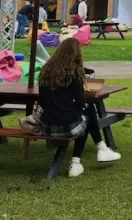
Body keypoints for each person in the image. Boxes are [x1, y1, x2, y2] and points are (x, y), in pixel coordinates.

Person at [38, 38, 120, 178]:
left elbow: (43, 101)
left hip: (47, 126)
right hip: (66, 127)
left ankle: (100, 150)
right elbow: (81, 101)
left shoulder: (45, 71)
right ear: (76, 53)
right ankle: (82, 158)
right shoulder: (74, 72)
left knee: (85, 113)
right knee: (88, 113)